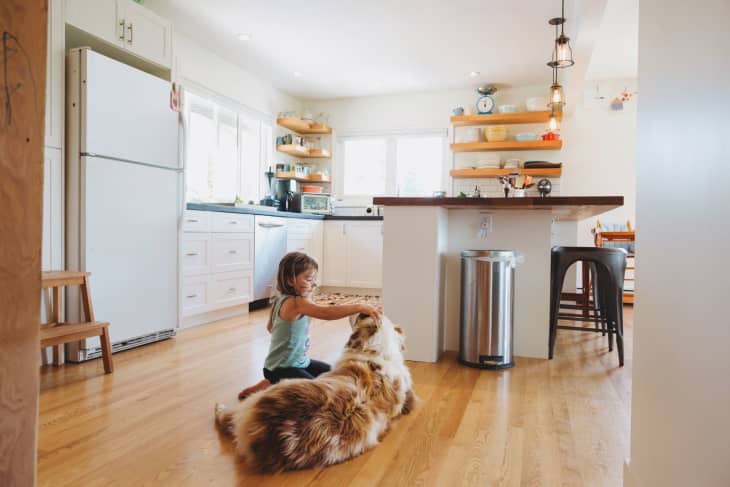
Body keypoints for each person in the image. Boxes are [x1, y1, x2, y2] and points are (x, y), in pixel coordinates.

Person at [238, 251, 382, 400]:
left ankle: (270, 382)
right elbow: (326, 313)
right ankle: (275, 382)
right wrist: (358, 307)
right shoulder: (296, 303)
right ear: (290, 281)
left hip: (298, 362)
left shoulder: (280, 300)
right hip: (283, 368)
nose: (314, 284)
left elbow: (270, 328)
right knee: (320, 392)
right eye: (308, 279)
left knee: (335, 374)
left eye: (314, 279)